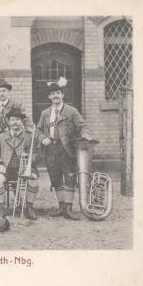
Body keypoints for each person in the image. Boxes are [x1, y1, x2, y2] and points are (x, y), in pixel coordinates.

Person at [37, 81, 92, 220]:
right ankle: (61, 207)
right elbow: (37, 130)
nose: (55, 96)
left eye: (58, 93)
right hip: (50, 149)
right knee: (55, 178)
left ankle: (69, 207)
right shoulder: (45, 113)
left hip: (67, 149)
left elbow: (83, 125)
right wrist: (43, 137)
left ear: (62, 94)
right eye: (52, 94)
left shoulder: (71, 111)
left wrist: (84, 134)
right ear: (49, 97)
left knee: (69, 177)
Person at [0, 108, 40, 220]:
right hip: (6, 169)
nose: (15, 122)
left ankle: (29, 208)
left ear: (21, 121)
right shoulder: (1, 137)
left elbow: (37, 153)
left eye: (17, 120)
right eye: (12, 120)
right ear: (9, 121)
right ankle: (1, 208)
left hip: (24, 168)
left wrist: (29, 162)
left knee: (33, 179)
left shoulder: (29, 136)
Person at [0, 78, 33, 151]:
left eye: (4, 91)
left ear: (8, 92)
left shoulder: (16, 105)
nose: (1, 93)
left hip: (10, 138)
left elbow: (25, 118)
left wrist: (29, 128)